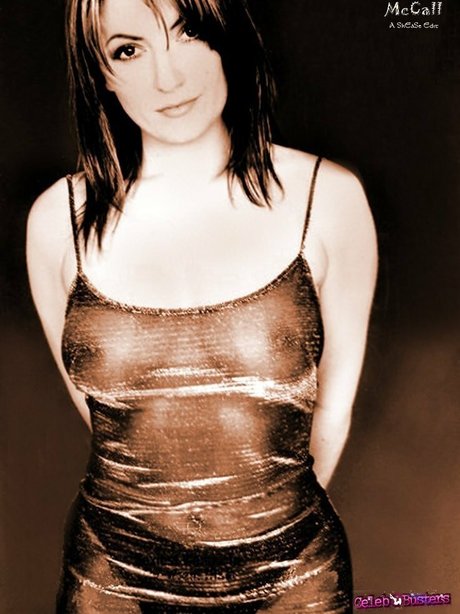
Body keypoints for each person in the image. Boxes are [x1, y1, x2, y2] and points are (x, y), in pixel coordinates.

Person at [26, 0, 377, 611]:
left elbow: (334, 409)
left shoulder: (329, 199)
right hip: (112, 580)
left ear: (227, 38)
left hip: (293, 577)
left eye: (187, 33)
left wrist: (252, 535)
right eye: (128, 50)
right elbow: (106, 417)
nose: (167, 77)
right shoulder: (59, 220)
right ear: (101, 73)